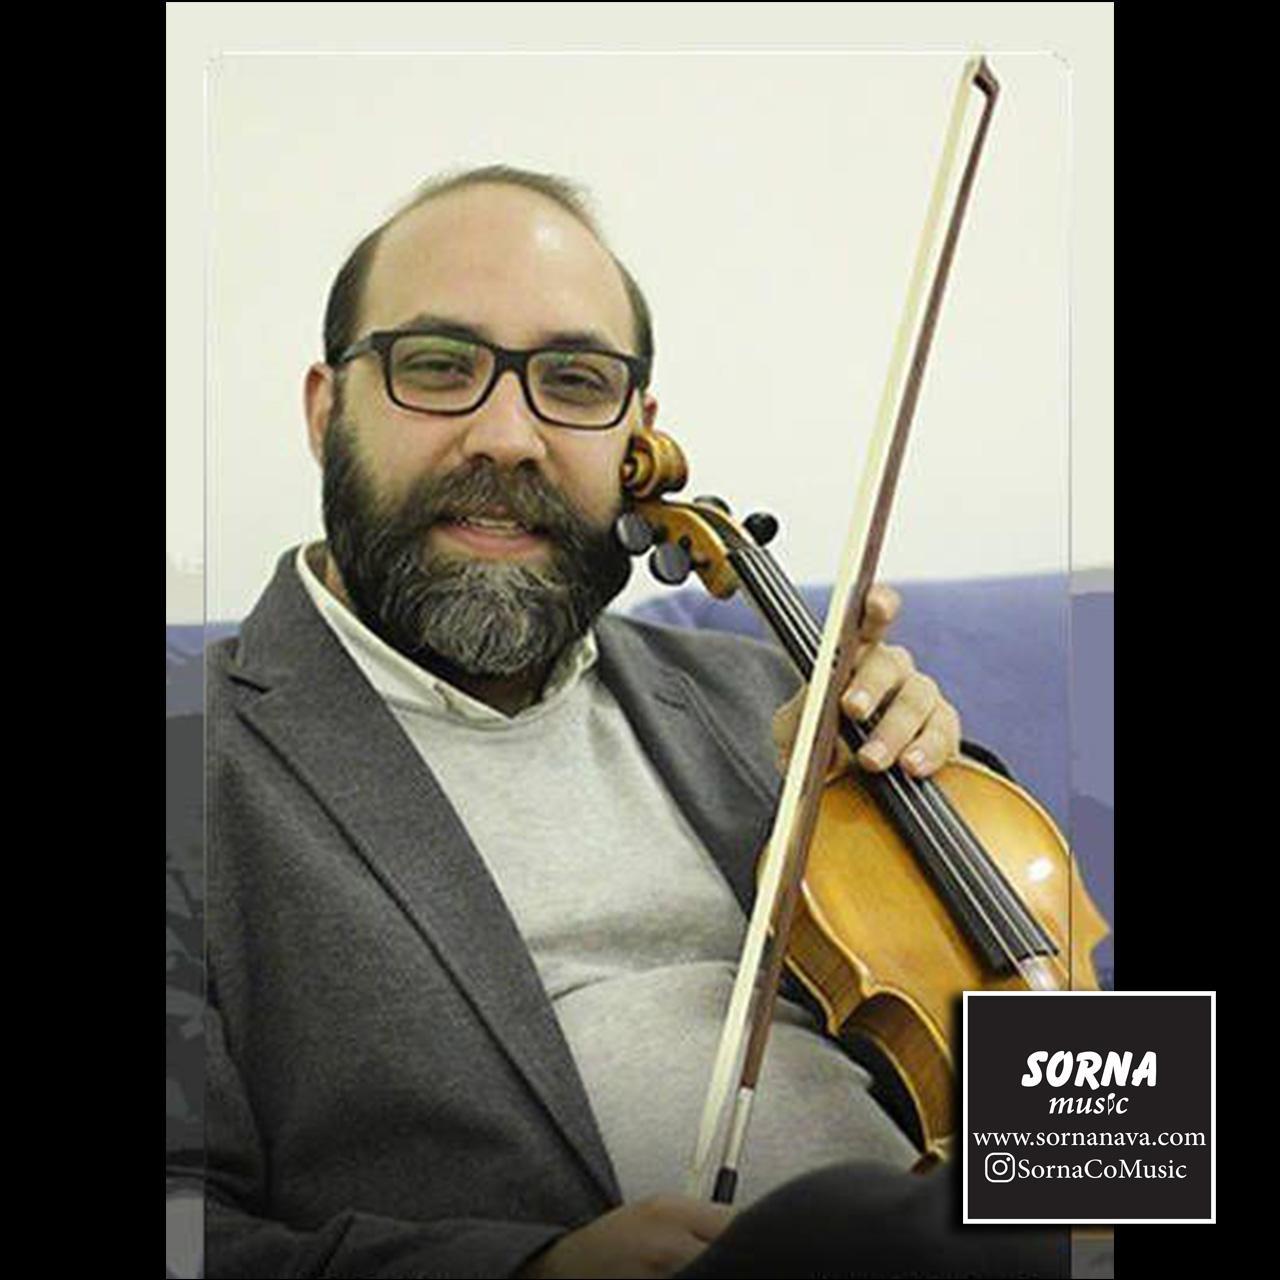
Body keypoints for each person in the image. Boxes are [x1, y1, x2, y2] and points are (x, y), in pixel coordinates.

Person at [172, 165, 1065, 1279]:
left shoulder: (768, 706)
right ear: (325, 410)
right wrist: (532, 1272)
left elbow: (1076, 1104)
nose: (508, 436)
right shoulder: (194, 774)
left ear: (637, 435)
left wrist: (928, 786)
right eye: (439, 367)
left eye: (574, 380)